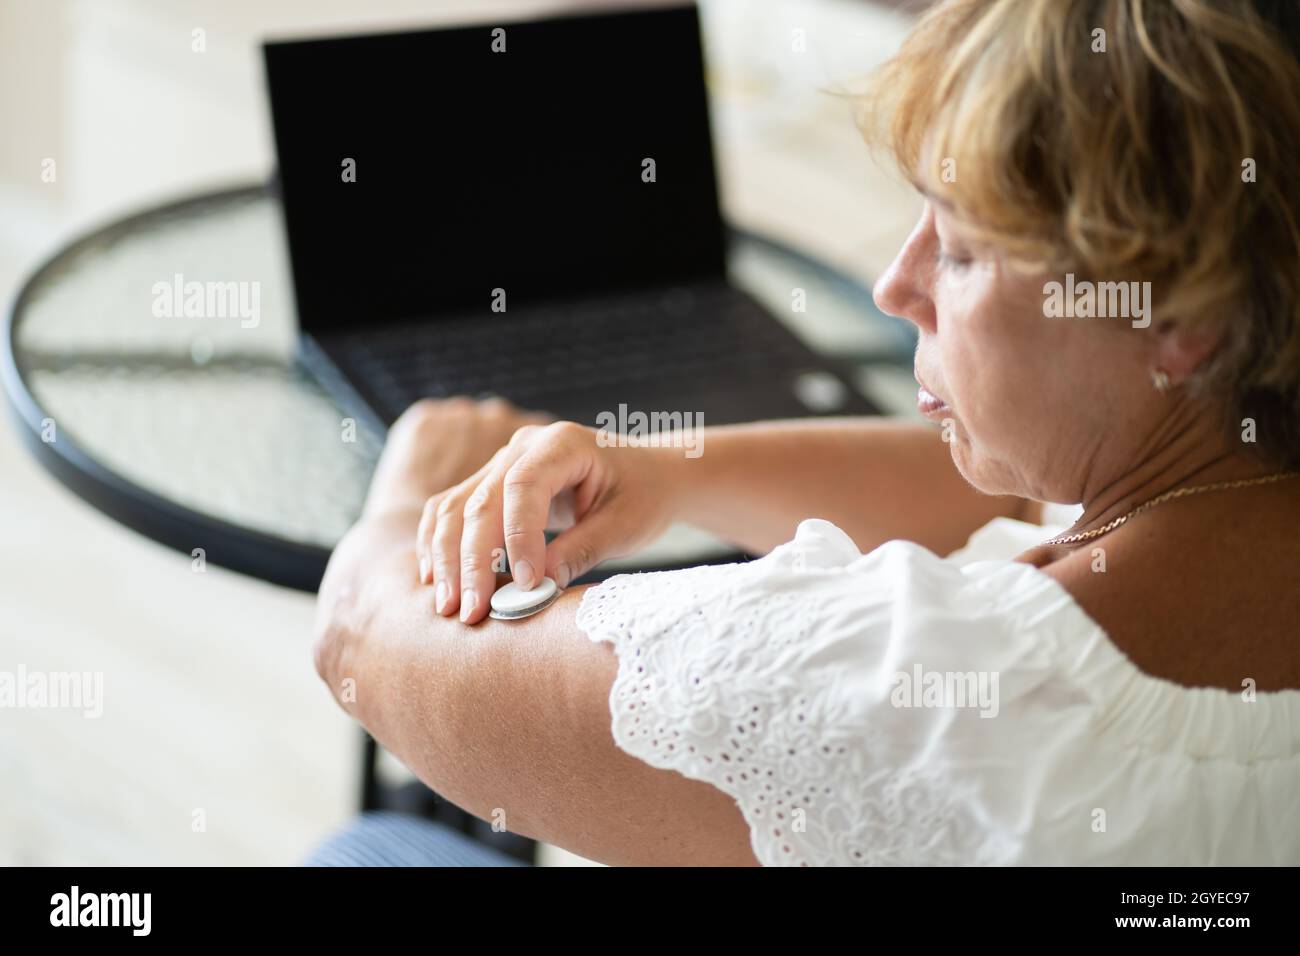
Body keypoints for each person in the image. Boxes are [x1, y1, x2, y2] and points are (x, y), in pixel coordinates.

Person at [308, 0, 1300, 866]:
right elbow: (1018, 496)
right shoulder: (1221, 469)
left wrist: (406, 496)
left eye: (958, 248)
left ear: (1175, 321)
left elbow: (363, 640)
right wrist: (671, 470)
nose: (895, 283)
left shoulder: (917, 687)